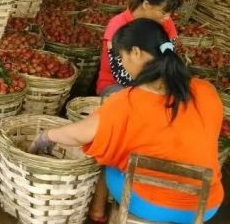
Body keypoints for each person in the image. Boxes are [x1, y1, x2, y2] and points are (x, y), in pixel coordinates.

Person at [29, 19, 223, 223]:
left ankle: (97, 211)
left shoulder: (126, 101)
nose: (123, 64)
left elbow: (79, 134)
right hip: (205, 204)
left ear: (136, 52)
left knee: (108, 158)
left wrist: (46, 136)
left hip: (149, 204)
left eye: (122, 57)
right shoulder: (206, 91)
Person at [97, 0, 182, 97]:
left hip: (153, 84)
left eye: (170, 13)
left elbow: (169, 60)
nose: (168, 17)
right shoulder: (118, 24)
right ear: (146, 4)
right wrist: (150, 91)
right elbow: (120, 73)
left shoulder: (166, 24)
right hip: (116, 85)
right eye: (163, 12)